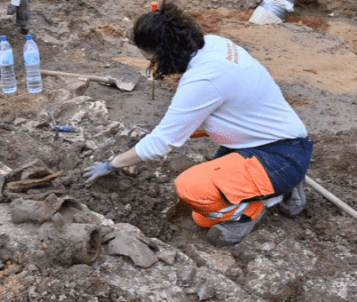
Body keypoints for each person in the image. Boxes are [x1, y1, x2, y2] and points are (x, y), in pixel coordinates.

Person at [83, 0, 313, 246]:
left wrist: (112, 164)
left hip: (281, 155)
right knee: (204, 208)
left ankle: (255, 208)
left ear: (165, 53)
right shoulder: (214, 44)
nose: (154, 67)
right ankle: (277, 186)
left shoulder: (204, 79)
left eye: (152, 60)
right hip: (273, 139)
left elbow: (161, 143)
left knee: (193, 190)